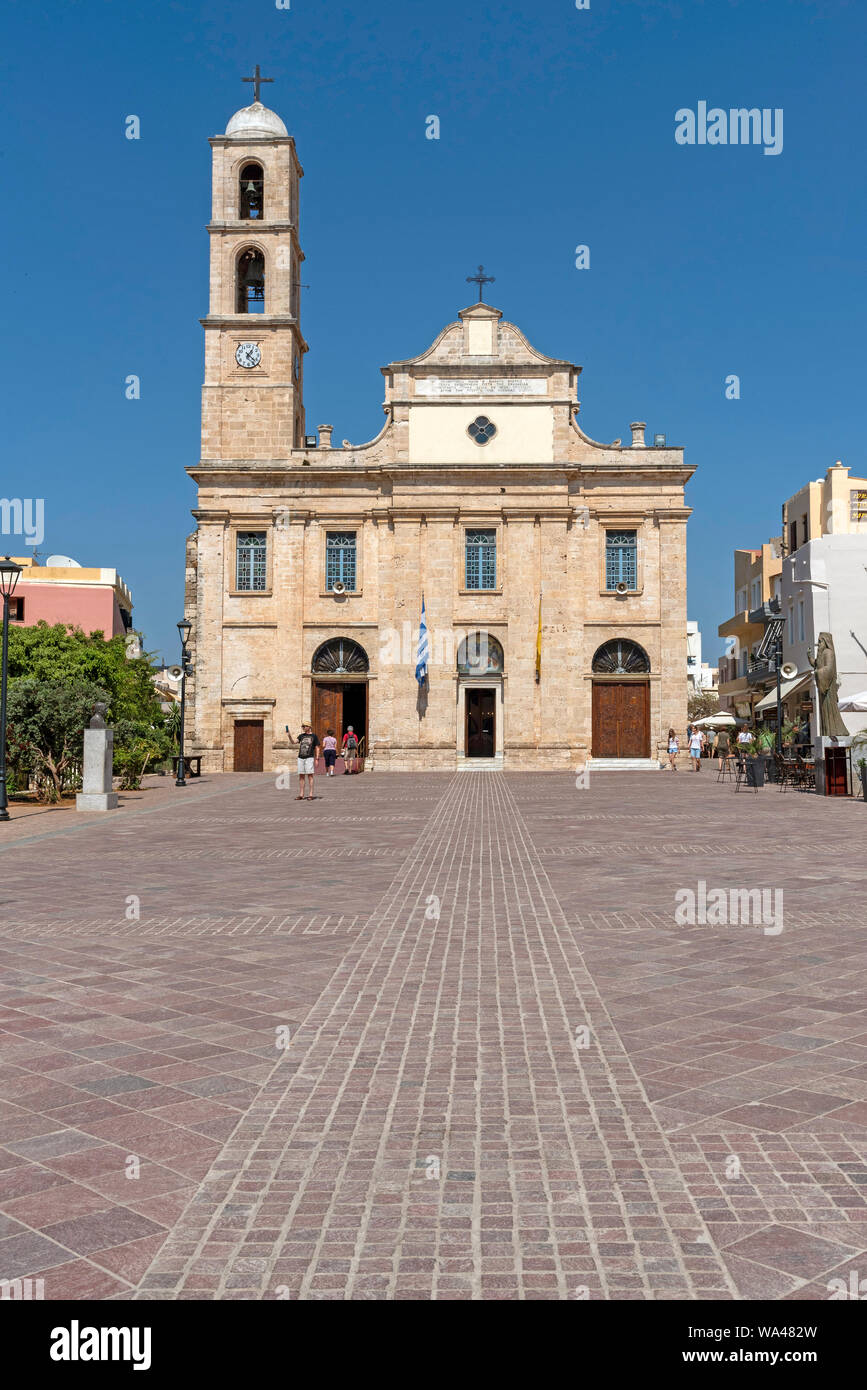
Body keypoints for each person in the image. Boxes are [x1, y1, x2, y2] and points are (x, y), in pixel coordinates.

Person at [290, 723, 320, 800]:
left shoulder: (314, 736)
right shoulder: (301, 736)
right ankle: (301, 794)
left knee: (310, 776)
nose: (303, 727)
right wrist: (289, 735)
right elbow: (293, 742)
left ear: (309, 727)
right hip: (300, 758)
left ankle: (310, 794)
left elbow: (317, 748)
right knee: (301, 776)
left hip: (309, 758)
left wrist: (317, 759)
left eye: (304, 726)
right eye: (302, 726)